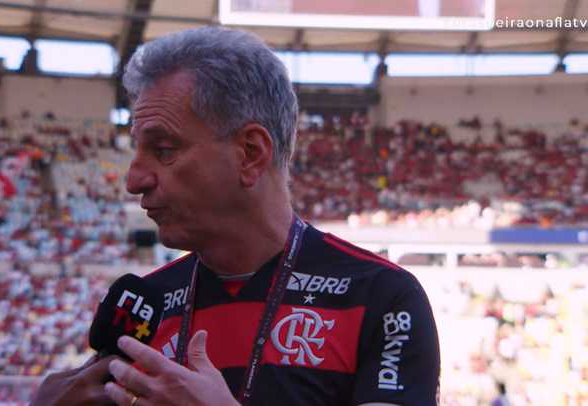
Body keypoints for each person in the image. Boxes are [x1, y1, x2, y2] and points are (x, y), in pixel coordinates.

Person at [31, 27, 440, 406]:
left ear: (250, 154)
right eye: (135, 149)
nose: (133, 180)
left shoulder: (383, 298)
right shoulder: (143, 309)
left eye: (164, 149)